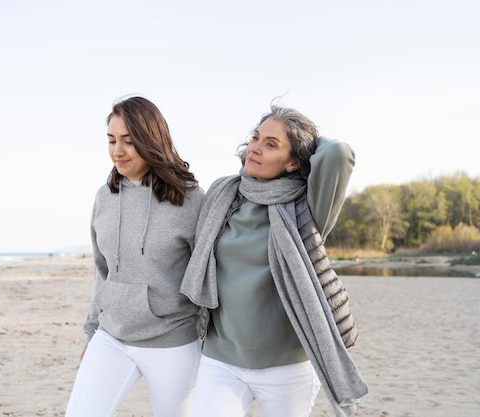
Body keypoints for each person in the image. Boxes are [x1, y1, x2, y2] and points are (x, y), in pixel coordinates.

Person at [180, 105, 368, 417]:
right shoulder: (225, 194)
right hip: (221, 358)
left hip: (287, 368)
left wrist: (307, 141)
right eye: (255, 138)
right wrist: (279, 138)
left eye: (271, 144)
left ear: (294, 162)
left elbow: (339, 154)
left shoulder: (307, 206)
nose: (255, 147)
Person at [65, 96, 205, 417]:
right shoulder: (105, 196)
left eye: (129, 141)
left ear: (151, 140)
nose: (118, 150)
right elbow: (101, 271)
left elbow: (207, 274)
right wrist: (91, 334)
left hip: (174, 342)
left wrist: (211, 341)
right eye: (112, 140)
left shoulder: (191, 198)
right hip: (112, 336)